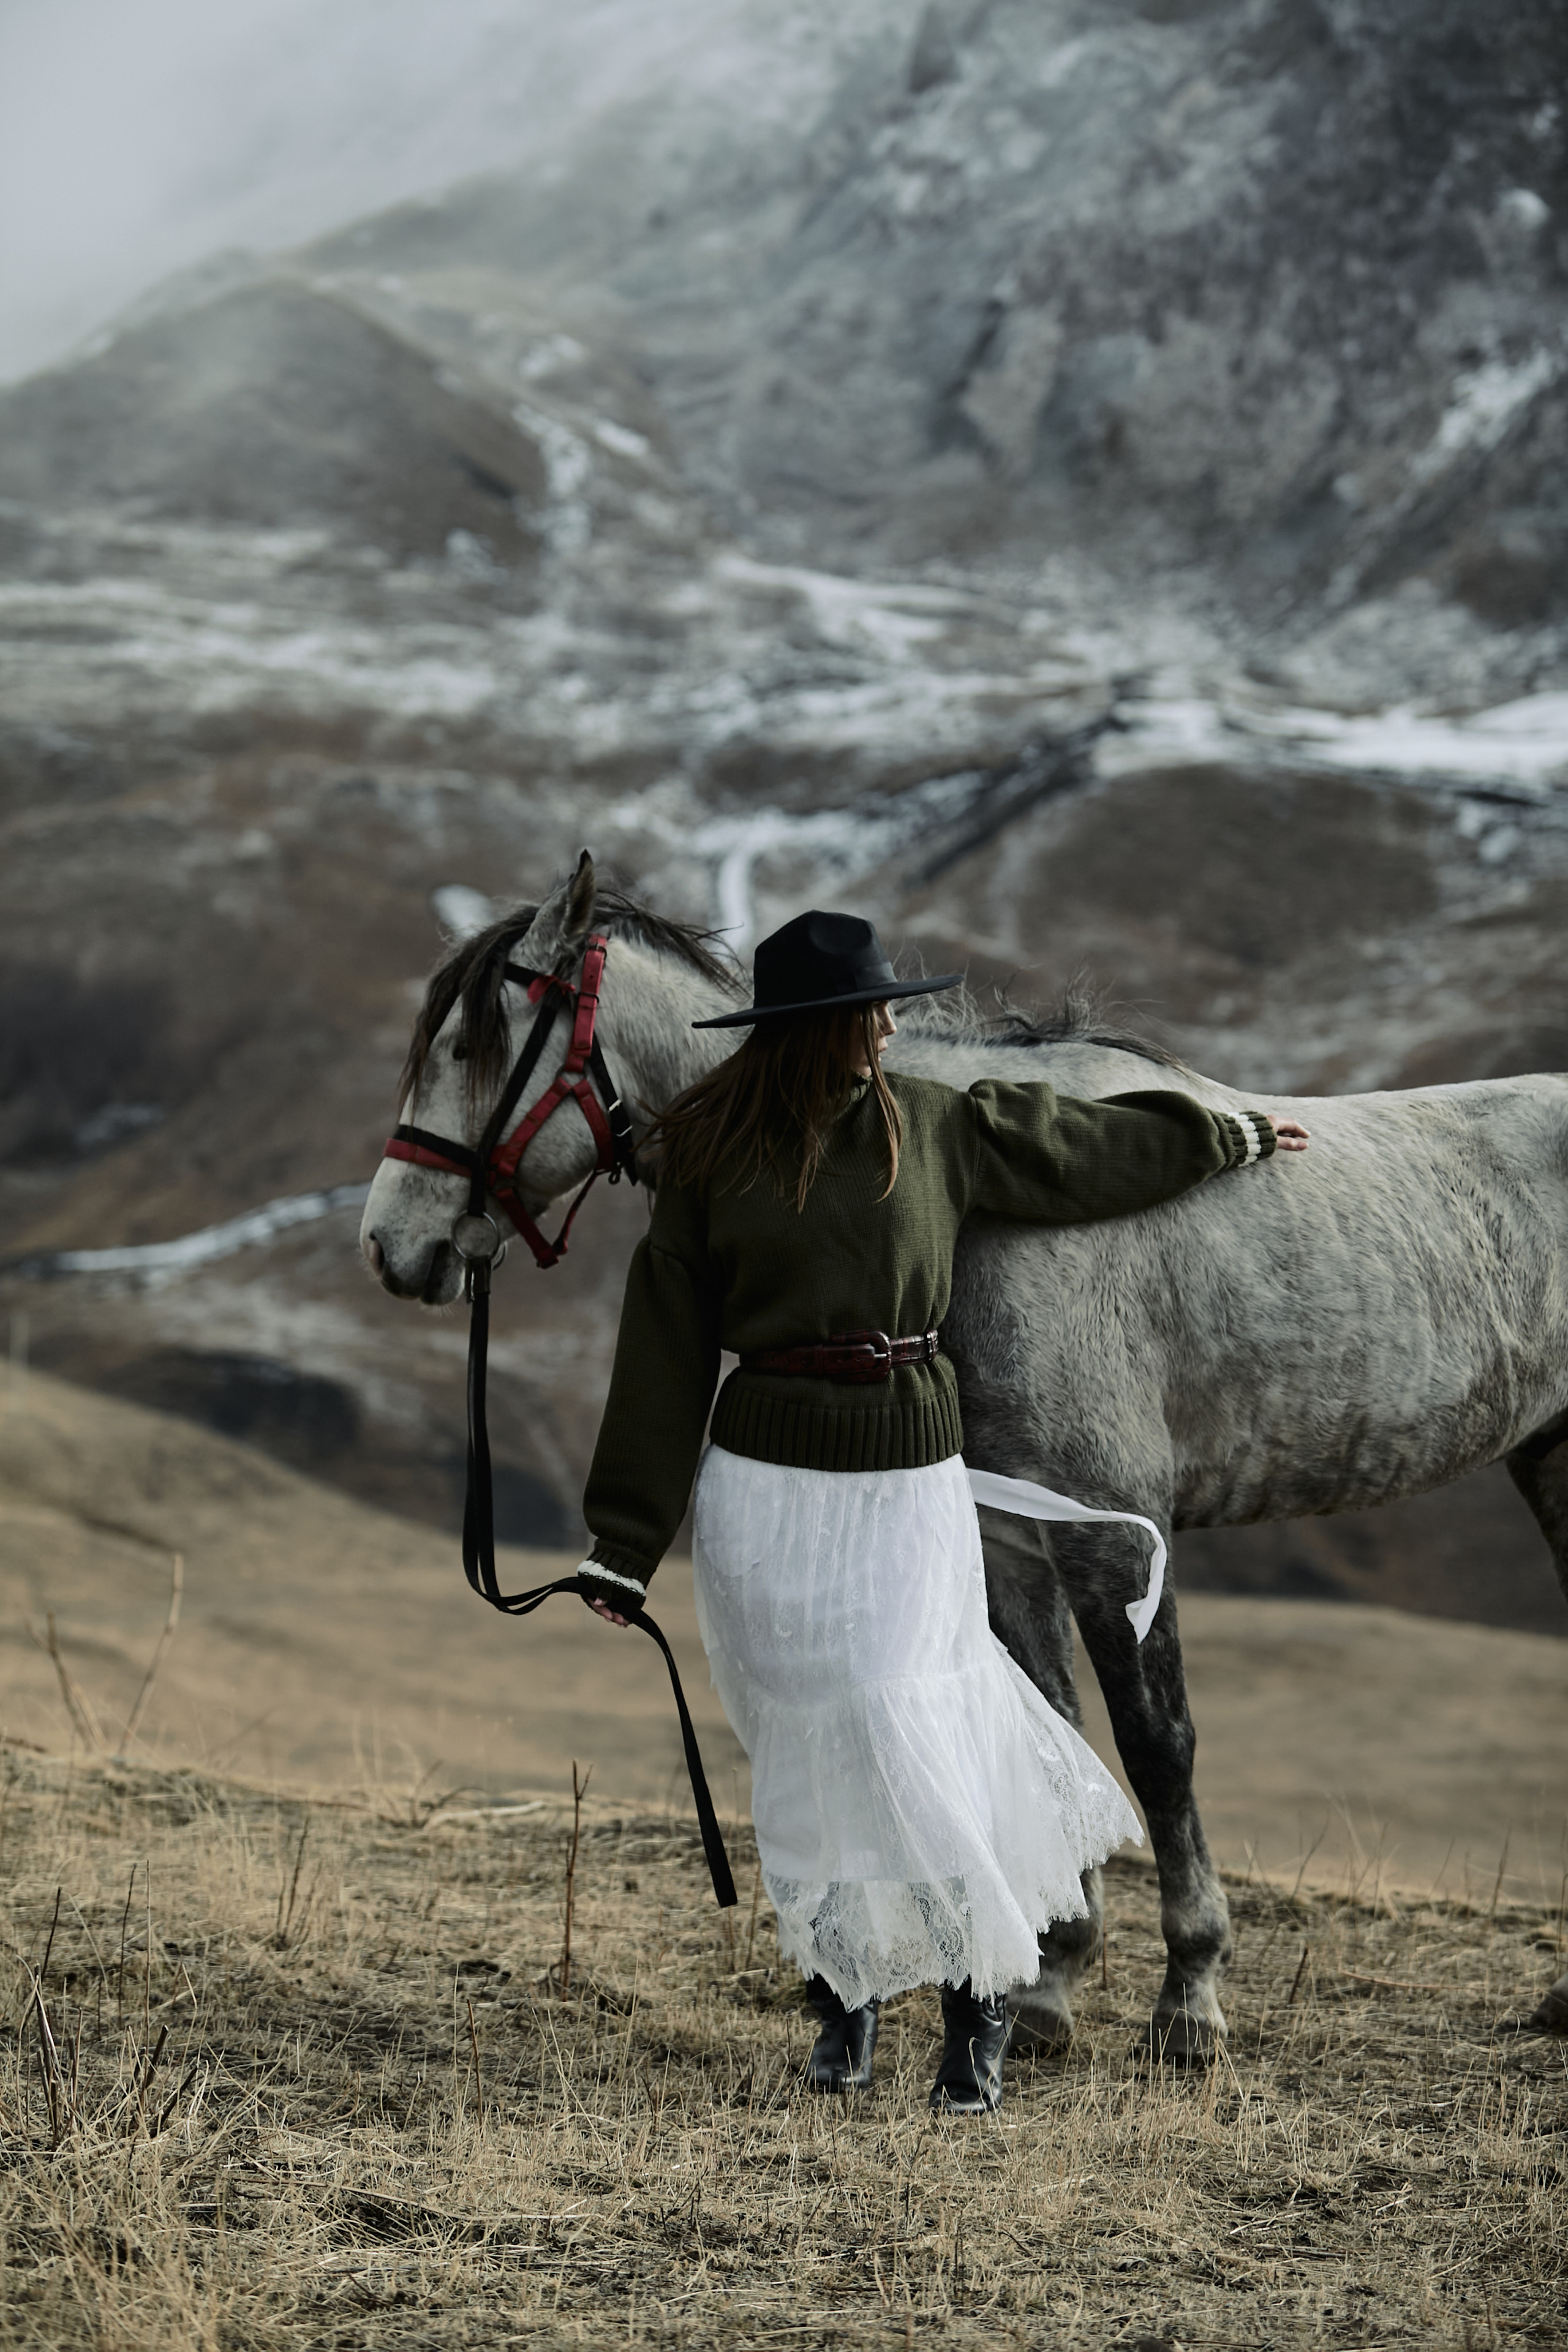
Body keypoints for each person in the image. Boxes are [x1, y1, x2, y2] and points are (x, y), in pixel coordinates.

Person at [573, 911, 1310, 2113]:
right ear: (811, 1031)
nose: (886, 1024)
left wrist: (1217, 1137)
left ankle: (976, 2007)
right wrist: (621, 1545)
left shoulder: (940, 1121)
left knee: (918, 1738)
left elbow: (1081, 1149)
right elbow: (661, 1355)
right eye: (866, 1010)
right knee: (814, 1755)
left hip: (906, 1490)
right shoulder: (704, 1158)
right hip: (765, 1495)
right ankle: (843, 2001)